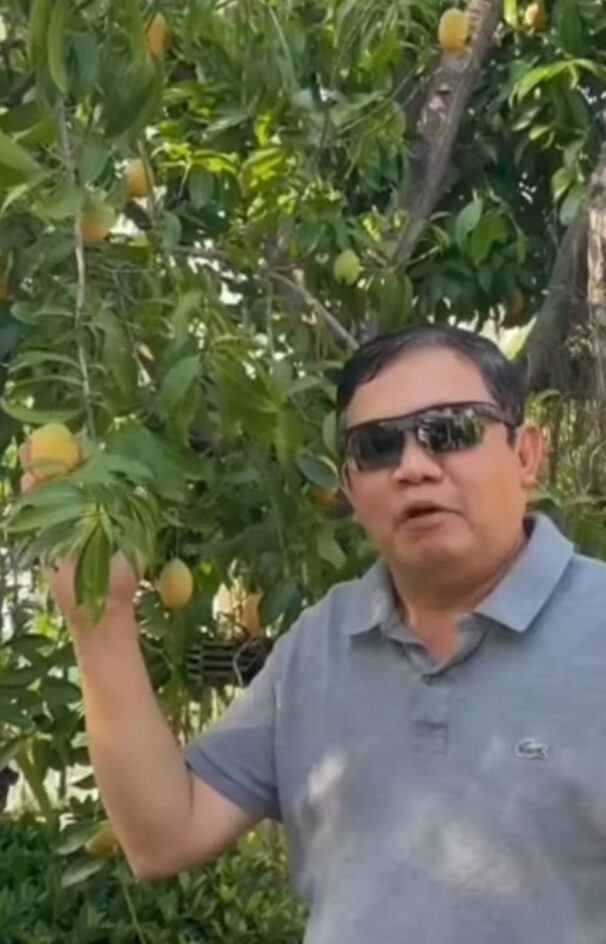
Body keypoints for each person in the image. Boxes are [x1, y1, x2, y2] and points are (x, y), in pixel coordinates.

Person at [23, 323, 606, 943]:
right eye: (377, 446)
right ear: (349, 486)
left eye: (451, 430)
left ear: (525, 455)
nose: (413, 467)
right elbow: (163, 836)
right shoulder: (323, 642)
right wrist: (99, 615)